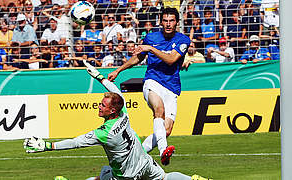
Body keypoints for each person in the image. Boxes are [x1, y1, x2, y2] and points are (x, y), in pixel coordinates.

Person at [23, 61, 210, 180]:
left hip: (127, 176)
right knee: (165, 178)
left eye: (102, 105)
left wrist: (47, 146)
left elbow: (75, 143)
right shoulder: (123, 114)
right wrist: (100, 77)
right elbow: (116, 91)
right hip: (144, 164)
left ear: (111, 110)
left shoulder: (104, 133)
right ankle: (194, 179)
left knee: (104, 177)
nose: (99, 106)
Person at [107, 8, 191, 166]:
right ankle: (163, 151)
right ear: (160, 21)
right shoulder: (151, 37)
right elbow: (137, 58)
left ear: (177, 22)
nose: (168, 24)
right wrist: (118, 70)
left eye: (171, 21)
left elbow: (172, 59)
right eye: (165, 20)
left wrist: (151, 49)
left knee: (166, 130)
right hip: (152, 81)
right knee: (159, 110)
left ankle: (136, 155)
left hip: (172, 87)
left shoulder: (183, 40)